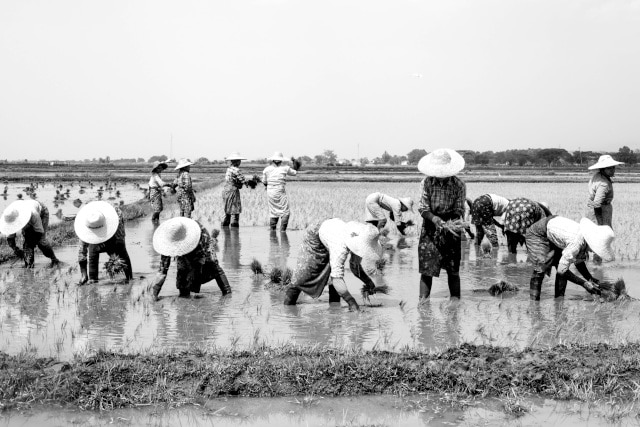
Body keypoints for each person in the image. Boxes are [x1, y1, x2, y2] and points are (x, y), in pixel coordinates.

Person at [283, 219, 382, 311]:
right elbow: (337, 278)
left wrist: (369, 282)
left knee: (332, 275)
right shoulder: (340, 248)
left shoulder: (359, 241)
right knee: (303, 276)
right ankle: (287, 308)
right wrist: (352, 303)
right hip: (315, 235)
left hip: (330, 233)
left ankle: (334, 309)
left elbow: (354, 266)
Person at [416, 148, 466, 299]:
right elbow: (423, 208)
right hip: (430, 226)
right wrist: (436, 220)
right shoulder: (427, 182)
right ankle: (423, 306)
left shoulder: (459, 185)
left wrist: (450, 223)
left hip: (452, 226)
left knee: (453, 270)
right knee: (427, 270)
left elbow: (459, 208)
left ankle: (455, 303)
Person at [526, 216, 614, 300]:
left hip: (554, 232)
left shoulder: (583, 239)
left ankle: (559, 300)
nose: (593, 252)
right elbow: (562, 270)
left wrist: (590, 279)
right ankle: (534, 304)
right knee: (541, 267)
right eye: (595, 249)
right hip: (538, 233)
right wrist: (584, 284)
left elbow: (578, 262)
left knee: (562, 266)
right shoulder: (576, 242)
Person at [150, 217, 231, 300]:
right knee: (182, 276)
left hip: (200, 248)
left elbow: (200, 259)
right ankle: (184, 296)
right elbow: (163, 269)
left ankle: (227, 293)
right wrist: (154, 292)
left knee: (213, 265)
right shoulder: (167, 239)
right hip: (186, 251)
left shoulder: (200, 233)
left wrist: (194, 280)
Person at [75, 201, 132, 284]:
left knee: (121, 251)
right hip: (95, 225)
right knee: (93, 251)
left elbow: (120, 241)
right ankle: (92, 279)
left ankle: (129, 278)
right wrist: (83, 274)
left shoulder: (116, 216)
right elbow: (82, 252)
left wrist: (114, 257)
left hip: (111, 227)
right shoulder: (85, 224)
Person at [0, 199, 59, 267]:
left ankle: (54, 259)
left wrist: (30, 245)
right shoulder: (10, 217)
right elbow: (10, 238)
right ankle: (29, 265)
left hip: (42, 211)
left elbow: (39, 232)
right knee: (26, 243)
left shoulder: (33, 214)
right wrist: (16, 249)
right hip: (27, 212)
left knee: (41, 242)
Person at [586, 155, 623, 261]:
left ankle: (592, 262)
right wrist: (600, 223)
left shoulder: (597, 176)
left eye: (613, 167)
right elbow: (597, 203)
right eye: (610, 168)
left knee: (593, 238)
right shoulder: (603, 184)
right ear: (603, 169)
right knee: (602, 239)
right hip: (601, 210)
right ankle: (597, 265)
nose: (613, 170)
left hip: (593, 209)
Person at [262, 151, 299, 231]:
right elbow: (295, 172)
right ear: (281, 160)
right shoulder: (285, 168)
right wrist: (295, 163)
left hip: (270, 191)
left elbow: (264, 182)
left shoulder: (266, 169)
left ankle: (272, 231)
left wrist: (268, 186)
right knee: (285, 212)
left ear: (272, 160)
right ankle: (282, 231)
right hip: (280, 190)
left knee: (273, 211)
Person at [222, 152, 247, 227]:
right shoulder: (236, 170)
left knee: (227, 209)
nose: (240, 162)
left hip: (226, 191)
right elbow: (243, 181)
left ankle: (225, 229)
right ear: (237, 161)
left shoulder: (229, 169)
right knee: (234, 210)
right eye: (239, 160)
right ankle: (234, 230)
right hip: (233, 191)